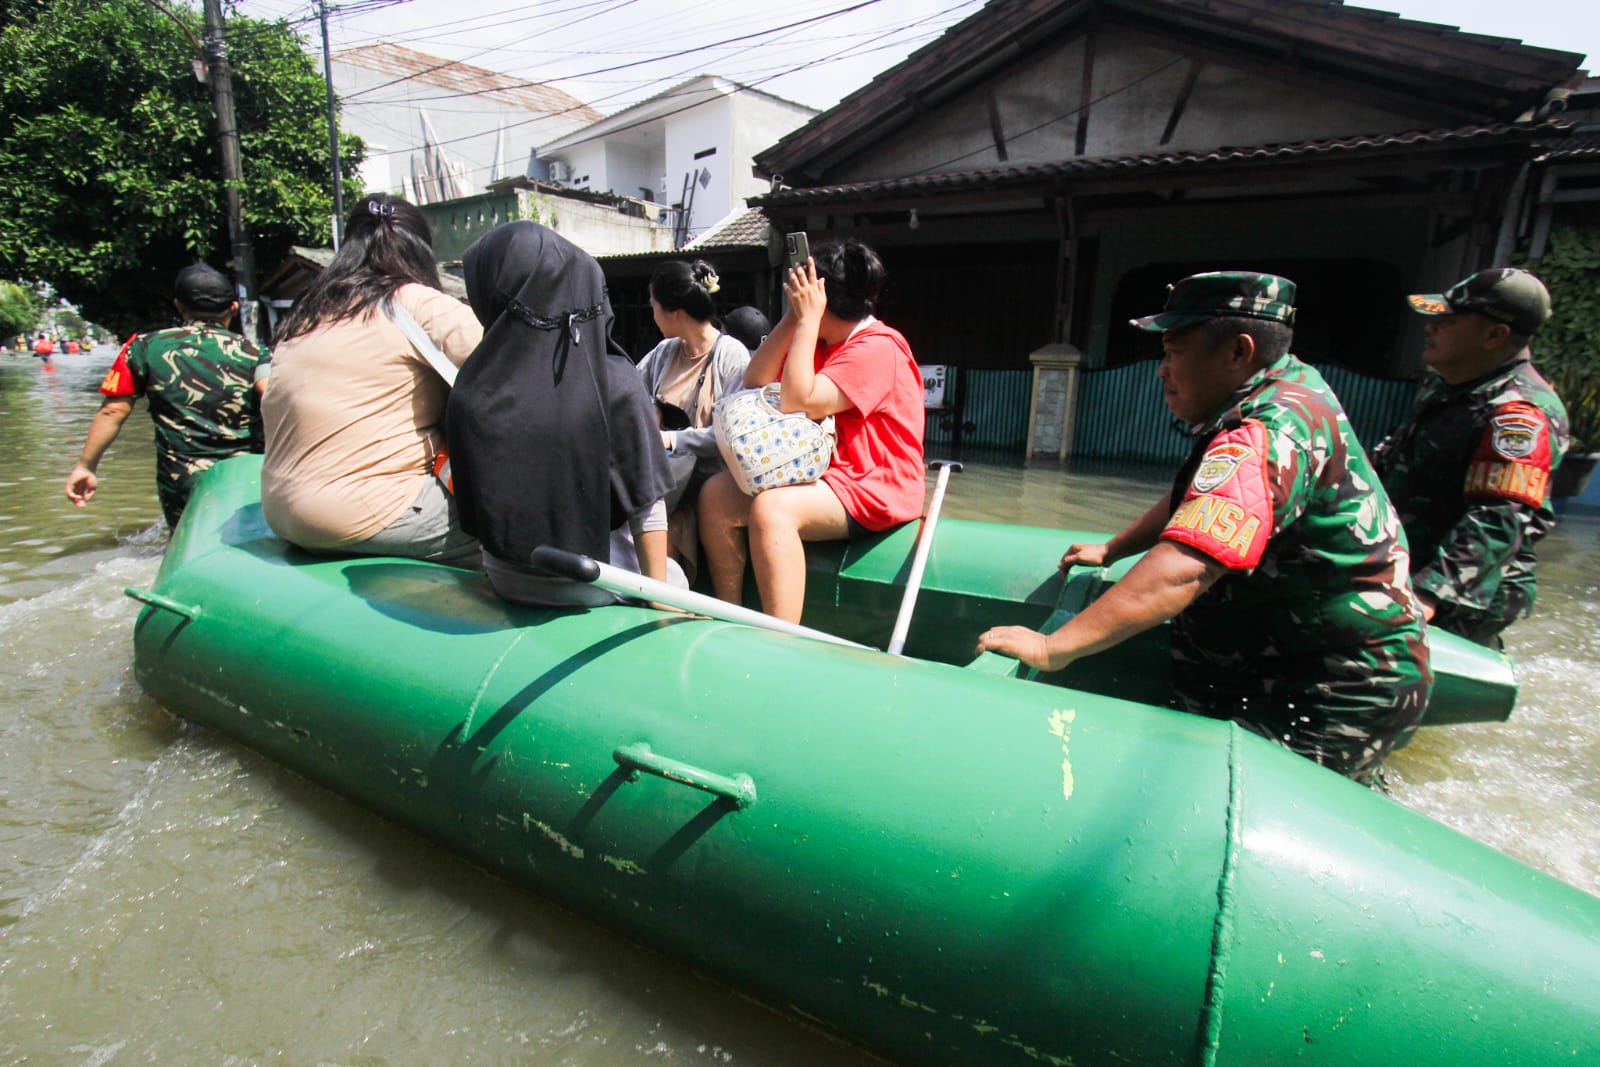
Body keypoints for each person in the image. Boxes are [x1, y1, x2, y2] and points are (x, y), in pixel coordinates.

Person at [977, 271, 1430, 783]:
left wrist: (1052, 647)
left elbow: (1186, 568)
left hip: (1328, 685)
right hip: (1300, 660)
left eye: (1174, 353)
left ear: (1238, 352)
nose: (1161, 371)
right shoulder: (1287, 386)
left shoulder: (1267, 429)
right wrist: (1114, 549)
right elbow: (1196, 501)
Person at [446, 220, 674, 606]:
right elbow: (646, 505)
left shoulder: (473, 387)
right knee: (677, 574)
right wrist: (662, 602)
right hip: (591, 582)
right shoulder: (615, 381)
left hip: (505, 578)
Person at [698, 238, 926, 623]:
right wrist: (793, 318)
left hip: (874, 484)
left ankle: (781, 636)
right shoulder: (819, 338)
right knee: (715, 495)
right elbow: (755, 379)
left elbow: (797, 399)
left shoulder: (878, 348)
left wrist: (806, 321)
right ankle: (729, 613)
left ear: (821, 299)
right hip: (823, 473)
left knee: (772, 510)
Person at [260, 193, 482, 565]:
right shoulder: (413, 302)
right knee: (525, 527)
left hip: (281, 511)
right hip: (366, 511)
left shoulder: (305, 314)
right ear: (421, 250)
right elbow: (513, 365)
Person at [1372, 268, 1569, 647]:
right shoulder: (1450, 388)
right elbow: (1390, 462)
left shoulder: (1518, 413)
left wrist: (1429, 595)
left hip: (1460, 593)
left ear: (1494, 336)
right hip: (1409, 565)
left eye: (1449, 321)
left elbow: (1497, 518)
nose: (1431, 327)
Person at [65, 262, 267, 528]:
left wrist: (86, 466)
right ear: (233, 308)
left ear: (179, 306)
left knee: (185, 536)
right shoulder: (255, 352)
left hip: (181, 476)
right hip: (246, 471)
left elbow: (113, 411)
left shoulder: (143, 347)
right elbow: (273, 397)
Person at [632, 259, 751, 584]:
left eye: (653, 306)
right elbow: (630, 399)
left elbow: (733, 436)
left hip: (708, 487)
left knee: (660, 537)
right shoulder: (662, 353)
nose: (652, 314)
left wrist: (671, 440)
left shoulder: (731, 355)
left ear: (674, 313)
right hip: (662, 483)